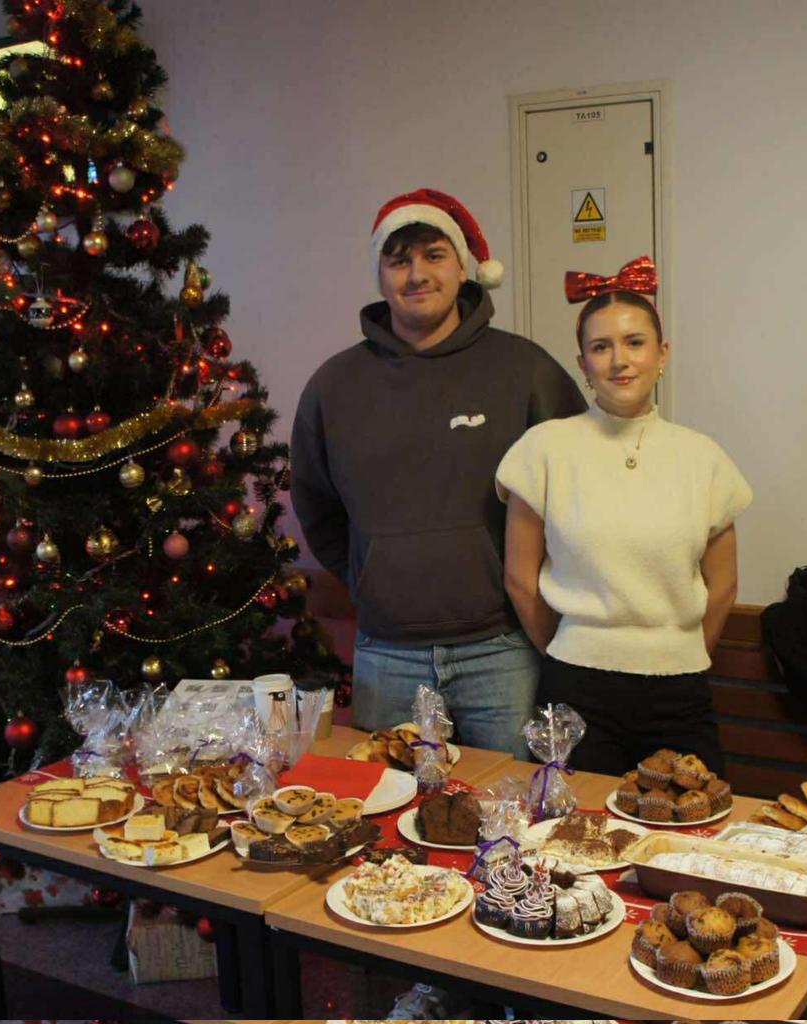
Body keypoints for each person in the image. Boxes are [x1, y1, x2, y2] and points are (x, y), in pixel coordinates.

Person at [291, 188, 585, 757]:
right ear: (380, 276)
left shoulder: (524, 369)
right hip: (386, 654)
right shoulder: (335, 386)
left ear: (463, 268)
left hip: (501, 650)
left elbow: (577, 492)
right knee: (388, 818)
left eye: (432, 255)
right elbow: (316, 506)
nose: (416, 274)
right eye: (398, 260)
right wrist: (369, 576)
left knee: (510, 816)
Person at [495, 256, 752, 774]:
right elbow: (520, 579)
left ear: (663, 354)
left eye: (635, 342)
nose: (619, 360)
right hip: (576, 687)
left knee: (690, 839)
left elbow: (722, 584)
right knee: (570, 842)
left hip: (680, 689)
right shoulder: (544, 449)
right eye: (600, 347)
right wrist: (570, 651)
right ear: (583, 364)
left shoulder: (703, 458)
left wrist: (674, 652)